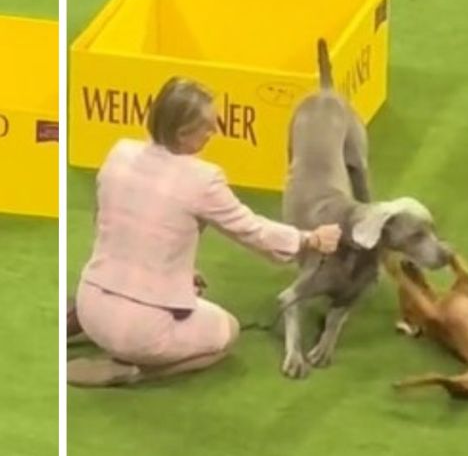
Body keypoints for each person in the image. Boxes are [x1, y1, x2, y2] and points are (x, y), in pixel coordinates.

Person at [67, 77, 342, 387]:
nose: (214, 133)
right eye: (208, 127)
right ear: (183, 134)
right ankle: (133, 371)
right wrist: (310, 239)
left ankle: (80, 323)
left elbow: (110, 224)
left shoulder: (120, 152)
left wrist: (177, 272)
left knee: (177, 294)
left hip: (90, 302)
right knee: (227, 332)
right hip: (141, 331)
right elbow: (252, 230)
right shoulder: (202, 179)